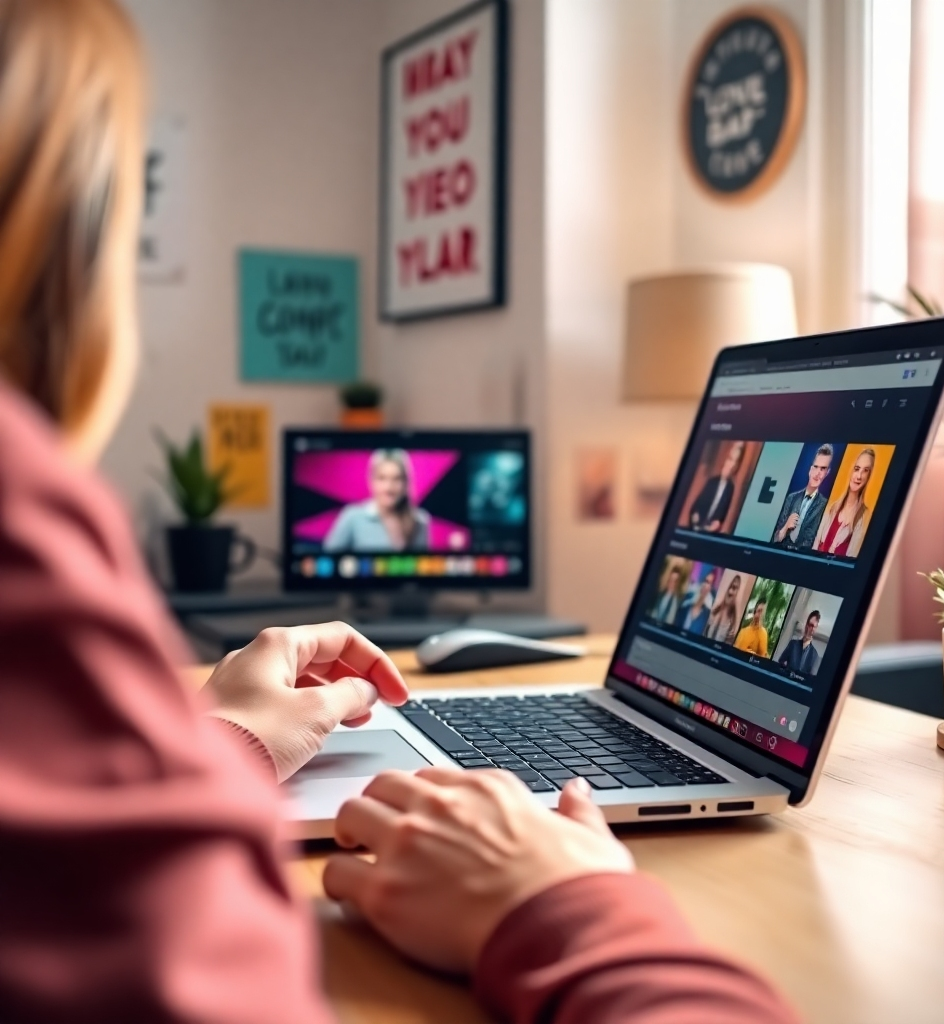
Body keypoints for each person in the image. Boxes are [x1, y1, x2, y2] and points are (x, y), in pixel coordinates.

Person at [0, 3, 799, 1023]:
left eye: (396, 484)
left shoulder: (422, 532)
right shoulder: (25, 521)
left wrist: (224, 748)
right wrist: (567, 906)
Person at [323, 448, 431, 552]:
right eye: (382, 478)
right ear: (371, 481)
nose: (389, 487)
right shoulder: (352, 517)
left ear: (406, 483)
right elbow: (326, 561)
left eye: (397, 479)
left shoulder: (420, 521)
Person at [814, 448, 876, 558]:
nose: (859, 476)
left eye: (865, 471)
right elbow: (814, 548)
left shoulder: (865, 517)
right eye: (857, 469)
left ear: (869, 476)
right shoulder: (832, 508)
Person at [772, 444, 833, 548]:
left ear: (827, 473)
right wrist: (786, 526)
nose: (818, 473)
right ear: (810, 469)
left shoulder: (825, 505)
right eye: (816, 467)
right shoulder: (791, 498)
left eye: (823, 469)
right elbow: (775, 538)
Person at [686, 441, 746, 533]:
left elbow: (722, 515)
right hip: (697, 525)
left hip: (710, 530)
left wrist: (717, 523)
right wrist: (695, 517)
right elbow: (697, 505)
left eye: (734, 464)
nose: (730, 466)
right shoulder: (712, 482)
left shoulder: (730, 488)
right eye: (729, 461)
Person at [705, 573, 746, 644]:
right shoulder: (714, 611)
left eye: (734, 588)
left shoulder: (732, 626)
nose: (730, 591)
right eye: (730, 586)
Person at [677, 570, 716, 635]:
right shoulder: (686, 602)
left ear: (711, 588)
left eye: (709, 583)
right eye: (705, 581)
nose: (705, 585)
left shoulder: (707, 615)